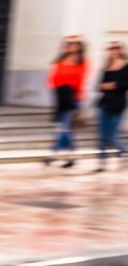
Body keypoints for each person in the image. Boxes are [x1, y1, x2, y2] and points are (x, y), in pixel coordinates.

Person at [46, 36, 88, 169]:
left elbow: (79, 81)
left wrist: (65, 85)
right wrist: (60, 86)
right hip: (60, 97)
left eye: (75, 44)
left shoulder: (83, 63)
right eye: (69, 43)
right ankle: (71, 155)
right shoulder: (60, 61)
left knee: (63, 128)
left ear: (80, 46)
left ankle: (54, 154)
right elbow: (52, 79)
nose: (71, 46)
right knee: (66, 129)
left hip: (74, 98)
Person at [96, 40, 127, 171]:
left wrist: (112, 85)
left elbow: (125, 85)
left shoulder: (126, 66)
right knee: (102, 135)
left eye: (116, 48)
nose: (113, 51)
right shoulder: (107, 67)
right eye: (111, 49)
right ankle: (102, 162)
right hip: (105, 104)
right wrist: (110, 86)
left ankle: (125, 150)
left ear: (120, 50)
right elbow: (100, 86)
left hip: (117, 105)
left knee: (112, 135)